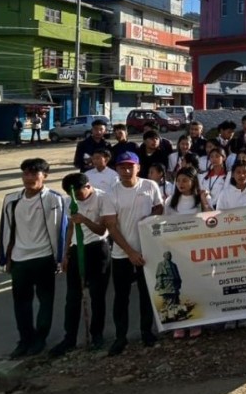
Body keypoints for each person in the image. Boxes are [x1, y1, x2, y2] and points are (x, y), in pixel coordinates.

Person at [0, 158, 67, 358]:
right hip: (20, 259)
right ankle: (24, 339)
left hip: (44, 257)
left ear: (44, 176)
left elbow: (61, 230)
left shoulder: (54, 199)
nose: (29, 178)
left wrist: (60, 258)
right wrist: (4, 258)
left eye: (34, 174)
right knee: (21, 302)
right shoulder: (11, 200)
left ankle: (40, 338)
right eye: (25, 174)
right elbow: (5, 230)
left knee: (45, 300)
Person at [104, 151, 164, 356]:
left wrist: (149, 221)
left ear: (138, 168)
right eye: (122, 167)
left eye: (131, 166)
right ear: (117, 169)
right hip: (122, 254)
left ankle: (146, 331)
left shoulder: (150, 186)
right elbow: (111, 227)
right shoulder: (111, 194)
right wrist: (129, 252)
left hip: (147, 251)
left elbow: (159, 208)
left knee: (147, 295)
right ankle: (120, 337)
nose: (126, 170)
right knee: (121, 297)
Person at [50, 173, 113, 356]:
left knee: (97, 295)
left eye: (79, 193)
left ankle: (97, 335)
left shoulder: (102, 198)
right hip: (78, 248)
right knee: (72, 297)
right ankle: (69, 337)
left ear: (88, 186)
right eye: (73, 195)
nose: (76, 197)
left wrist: (84, 219)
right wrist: (66, 252)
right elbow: (70, 226)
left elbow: (103, 229)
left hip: (98, 248)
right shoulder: (70, 200)